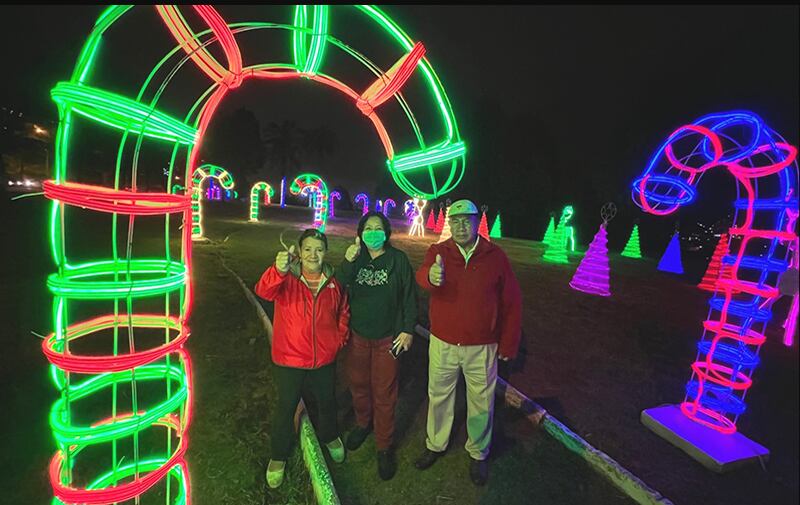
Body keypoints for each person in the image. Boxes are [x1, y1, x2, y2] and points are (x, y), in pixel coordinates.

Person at [413, 199, 522, 486]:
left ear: (477, 221)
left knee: (482, 401)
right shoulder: (439, 251)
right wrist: (430, 276)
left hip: (482, 345)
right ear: (450, 223)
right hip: (443, 342)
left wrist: (509, 342)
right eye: (455, 220)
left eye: (466, 220)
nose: (461, 226)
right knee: (438, 395)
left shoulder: (495, 256)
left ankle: (478, 453)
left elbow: (511, 302)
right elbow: (423, 275)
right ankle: (435, 445)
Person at [254, 228, 349, 489]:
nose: (312, 254)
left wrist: (337, 340)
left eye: (318, 249)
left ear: (325, 252)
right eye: (307, 249)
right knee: (286, 407)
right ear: (300, 251)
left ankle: (330, 436)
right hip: (290, 359)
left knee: (327, 401)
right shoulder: (288, 278)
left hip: (324, 360)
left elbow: (343, 311)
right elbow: (264, 291)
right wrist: (278, 270)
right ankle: (279, 455)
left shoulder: (333, 281)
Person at [337, 211, 418, 480]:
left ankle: (384, 446)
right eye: (368, 228)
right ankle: (363, 423)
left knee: (384, 393)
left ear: (386, 232)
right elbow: (338, 286)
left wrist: (407, 329)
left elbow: (409, 296)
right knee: (358, 384)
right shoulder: (356, 259)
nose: (373, 232)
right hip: (359, 337)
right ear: (360, 233)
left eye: (378, 227)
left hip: (388, 340)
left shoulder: (398, 260)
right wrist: (348, 261)